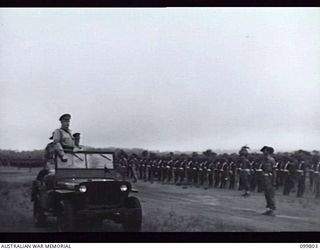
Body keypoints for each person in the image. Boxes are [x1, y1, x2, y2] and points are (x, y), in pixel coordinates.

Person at [260, 146, 276, 216]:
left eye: (265, 151)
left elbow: (274, 171)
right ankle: (268, 209)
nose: (263, 152)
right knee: (266, 194)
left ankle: (271, 210)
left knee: (270, 194)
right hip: (265, 178)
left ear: (268, 152)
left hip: (269, 178)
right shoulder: (264, 160)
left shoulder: (271, 160)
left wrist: (274, 181)